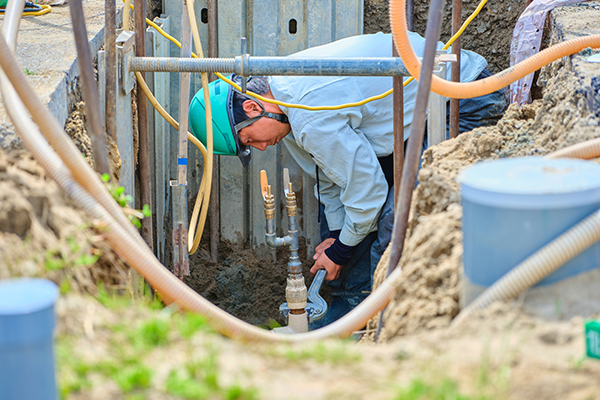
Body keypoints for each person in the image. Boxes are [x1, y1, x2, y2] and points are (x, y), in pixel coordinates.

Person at [189, 32, 506, 328]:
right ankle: (349, 310)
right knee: (342, 223)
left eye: (248, 140)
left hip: (462, 98)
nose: (259, 148)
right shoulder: (287, 106)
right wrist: (339, 236)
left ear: (252, 106)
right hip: (414, 112)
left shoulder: (308, 115)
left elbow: (366, 191)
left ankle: (386, 324)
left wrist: (341, 250)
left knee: (397, 219)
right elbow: (330, 178)